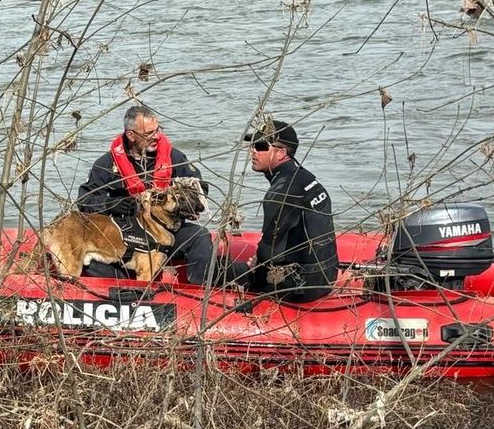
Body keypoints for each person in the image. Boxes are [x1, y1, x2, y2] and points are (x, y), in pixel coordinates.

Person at [76, 105, 213, 283]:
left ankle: (199, 295)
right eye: (149, 133)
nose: (156, 136)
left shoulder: (174, 158)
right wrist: (115, 205)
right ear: (131, 135)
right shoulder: (106, 164)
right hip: (127, 235)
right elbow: (85, 200)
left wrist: (183, 199)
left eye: (157, 130)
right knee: (94, 264)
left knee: (200, 237)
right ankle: (126, 291)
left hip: (168, 229)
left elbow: (201, 190)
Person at [241, 120, 337, 303]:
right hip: (326, 278)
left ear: (282, 153)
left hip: (300, 288)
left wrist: (256, 267)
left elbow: (269, 254)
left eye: (261, 146)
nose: (253, 151)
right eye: (253, 145)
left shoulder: (281, 192)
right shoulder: (305, 178)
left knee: (222, 271)